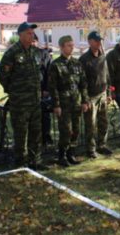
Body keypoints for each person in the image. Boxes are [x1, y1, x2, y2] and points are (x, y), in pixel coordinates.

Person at [0, 22, 47, 170]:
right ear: (20, 35)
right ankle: (21, 163)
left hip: (35, 101)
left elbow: (40, 72)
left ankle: (35, 161)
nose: (32, 35)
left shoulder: (36, 52)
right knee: (21, 134)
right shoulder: (12, 53)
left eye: (32, 33)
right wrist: (13, 90)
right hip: (20, 102)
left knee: (36, 132)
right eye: (28, 33)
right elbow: (2, 75)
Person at [48, 35, 88, 167]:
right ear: (61, 47)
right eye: (69, 45)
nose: (72, 47)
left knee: (75, 130)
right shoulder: (56, 65)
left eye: (72, 45)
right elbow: (52, 88)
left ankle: (71, 153)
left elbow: (83, 84)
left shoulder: (77, 63)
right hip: (64, 105)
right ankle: (62, 155)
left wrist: (84, 101)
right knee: (66, 131)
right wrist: (56, 105)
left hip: (76, 102)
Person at [79, 31, 113, 158]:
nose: (99, 43)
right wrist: (85, 99)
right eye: (96, 40)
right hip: (91, 97)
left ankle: (102, 145)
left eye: (100, 41)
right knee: (91, 125)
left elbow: (107, 76)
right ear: (89, 41)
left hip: (103, 94)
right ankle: (91, 149)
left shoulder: (103, 56)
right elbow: (82, 82)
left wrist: (109, 93)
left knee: (104, 122)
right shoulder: (84, 59)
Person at [32, 35, 53, 147]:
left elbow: (50, 73)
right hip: (28, 94)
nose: (32, 43)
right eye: (31, 41)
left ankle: (46, 137)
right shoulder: (24, 55)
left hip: (43, 91)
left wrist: (46, 89)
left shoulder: (43, 54)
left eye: (34, 41)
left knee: (45, 115)